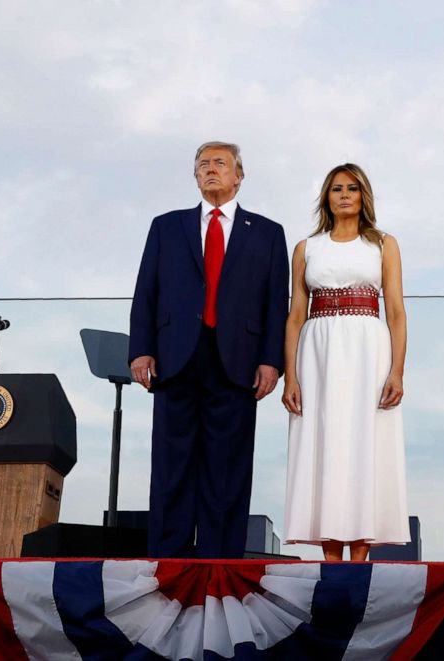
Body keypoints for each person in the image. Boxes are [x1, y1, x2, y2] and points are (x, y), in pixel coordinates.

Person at [129, 141, 289, 559]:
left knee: (228, 469)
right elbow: (146, 292)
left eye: (220, 163)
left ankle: (221, 564)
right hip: (174, 359)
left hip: (238, 362)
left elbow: (277, 304)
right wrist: (140, 350)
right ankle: (168, 564)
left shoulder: (269, 233)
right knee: (171, 466)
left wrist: (272, 361)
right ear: (195, 177)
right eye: (203, 165)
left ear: (239, 175)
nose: (211, 170)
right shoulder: (166, 226)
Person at [281, 163, 410, 561]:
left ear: (363, 195)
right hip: (318, 352)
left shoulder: (384, 244)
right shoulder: (307, 248)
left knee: (365, 441)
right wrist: (291, 377)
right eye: (336, 188)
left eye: (352, 188)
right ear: (327, 197)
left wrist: (397, 371)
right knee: (325, 442)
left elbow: (396, 312)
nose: (344, 194)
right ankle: (330, 561)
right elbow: (296, 315)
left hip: (369, 350)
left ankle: (360, 559)